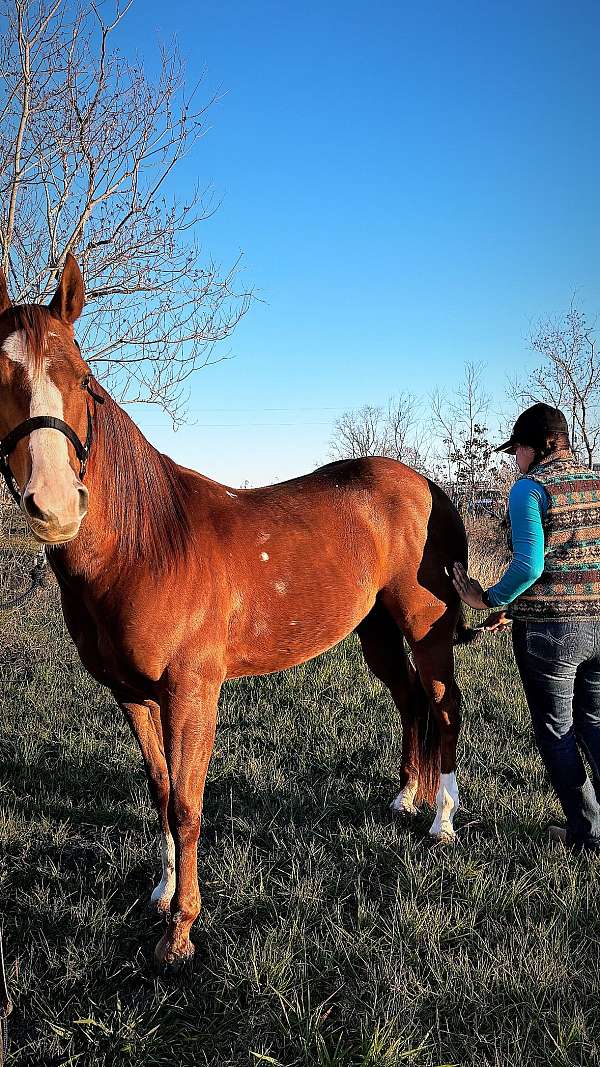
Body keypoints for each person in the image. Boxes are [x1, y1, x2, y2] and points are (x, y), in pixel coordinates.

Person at [453, 402, 600, 851]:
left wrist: (488, 598)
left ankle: (586, 833)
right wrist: (515, 610)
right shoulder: (596, 482)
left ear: (539, 447)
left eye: (517, 448)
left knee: (557, 732)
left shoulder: (529, 489)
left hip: (551, 635)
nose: (514, 458)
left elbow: (530, 565)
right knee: (594, 723)